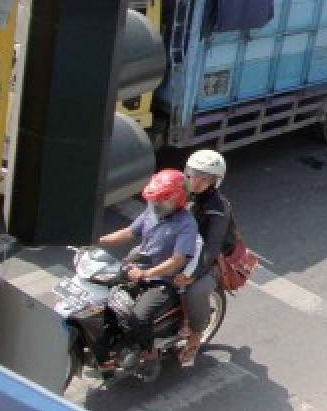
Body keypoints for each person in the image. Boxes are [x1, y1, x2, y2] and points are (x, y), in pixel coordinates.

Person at [98, 169, 197, 374]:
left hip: (163, 281)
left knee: (138, 317)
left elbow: (177, 260)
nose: (154, 206)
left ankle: (150, 354)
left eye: (159, 202)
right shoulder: (152, 213)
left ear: (175, 200)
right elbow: (129, 233)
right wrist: (98, 240)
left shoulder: (186, 225)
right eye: (153, 201)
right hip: (138, 267)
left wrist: (147, 274)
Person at [173, 150, 232, 367]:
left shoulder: (219, 208)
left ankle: (196, 334)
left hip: (209, 260)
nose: (196, 181)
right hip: (180, 247)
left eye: (204, 178)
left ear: (215, 181)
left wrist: (192, 275)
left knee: (195, 290)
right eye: (192, 174)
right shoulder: (179, 191)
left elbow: (212, 247)